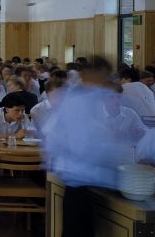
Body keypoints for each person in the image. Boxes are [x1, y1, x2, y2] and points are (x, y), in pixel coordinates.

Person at [44, 56, 143, 237]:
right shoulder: (79, 101)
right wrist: (115, 165)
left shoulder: (87, 98)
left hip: (82, 178)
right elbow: (82, 147)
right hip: (79, 180)